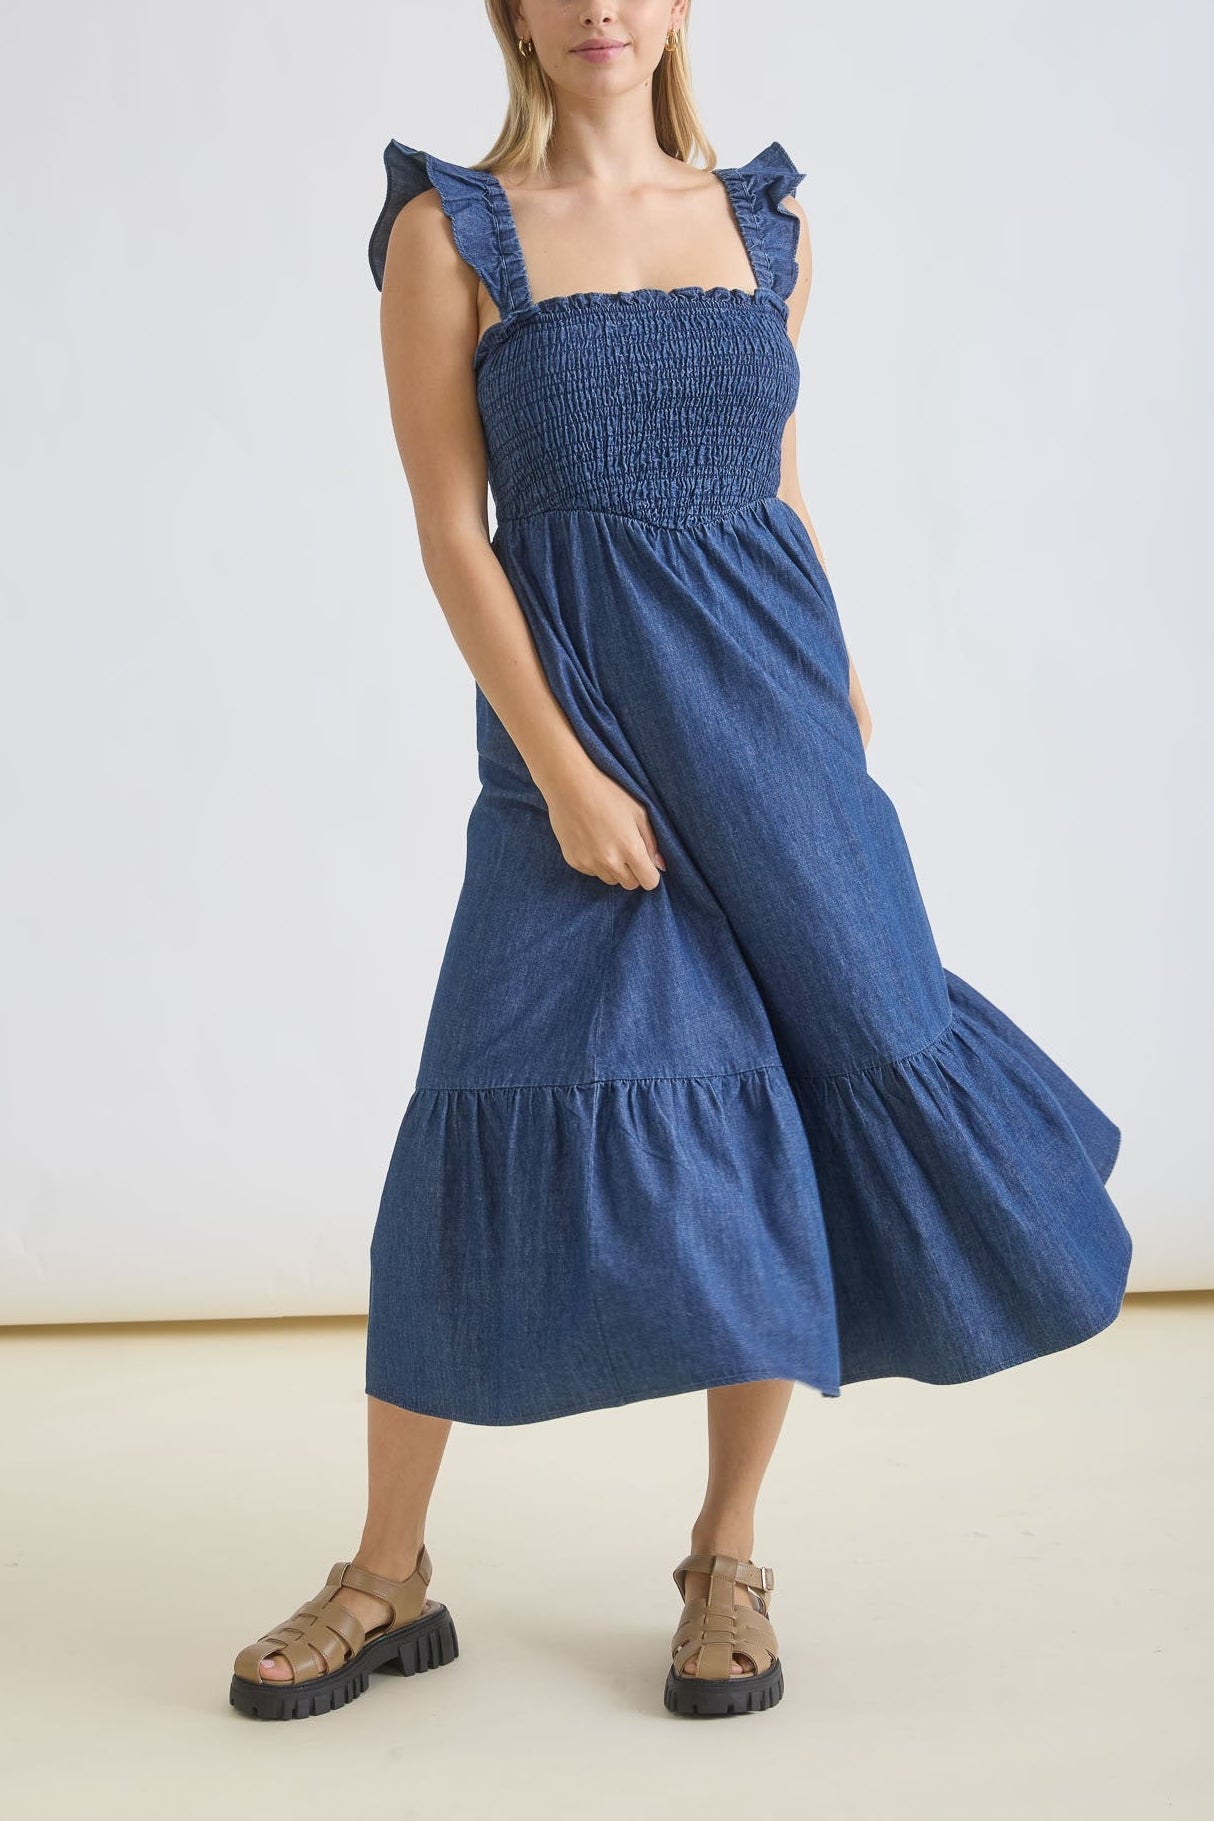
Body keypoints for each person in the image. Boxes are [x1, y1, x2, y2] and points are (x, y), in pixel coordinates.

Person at [230, 0, 1133, 1723]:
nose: (601, 9)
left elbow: (775, 491)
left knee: (789, 1100)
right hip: (575, 731)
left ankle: (726, 1552)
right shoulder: (448, 231)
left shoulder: (768, 222)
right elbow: (452, 532)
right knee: (481, 1096)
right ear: (512, 12)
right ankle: (385, 1571)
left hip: (775, 734)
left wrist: (836, 691)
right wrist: (561, 771)